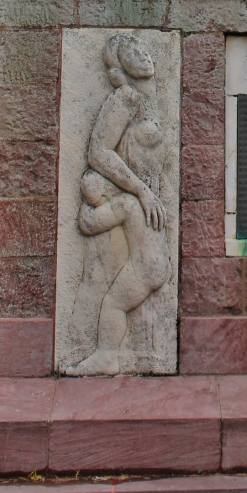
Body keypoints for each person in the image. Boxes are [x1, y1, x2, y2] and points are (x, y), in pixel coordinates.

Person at [66, 34, 169, 376]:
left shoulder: (145, 100)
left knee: (118, 301)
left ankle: (113, 354)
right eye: (133, 51)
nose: (144, 54)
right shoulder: (124, 98)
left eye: (143, 48)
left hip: (144, 225)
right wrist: (140, 190)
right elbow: (98, 152)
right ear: (122, 64)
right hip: (132, 216)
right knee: (108, 297)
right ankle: (106, 353)